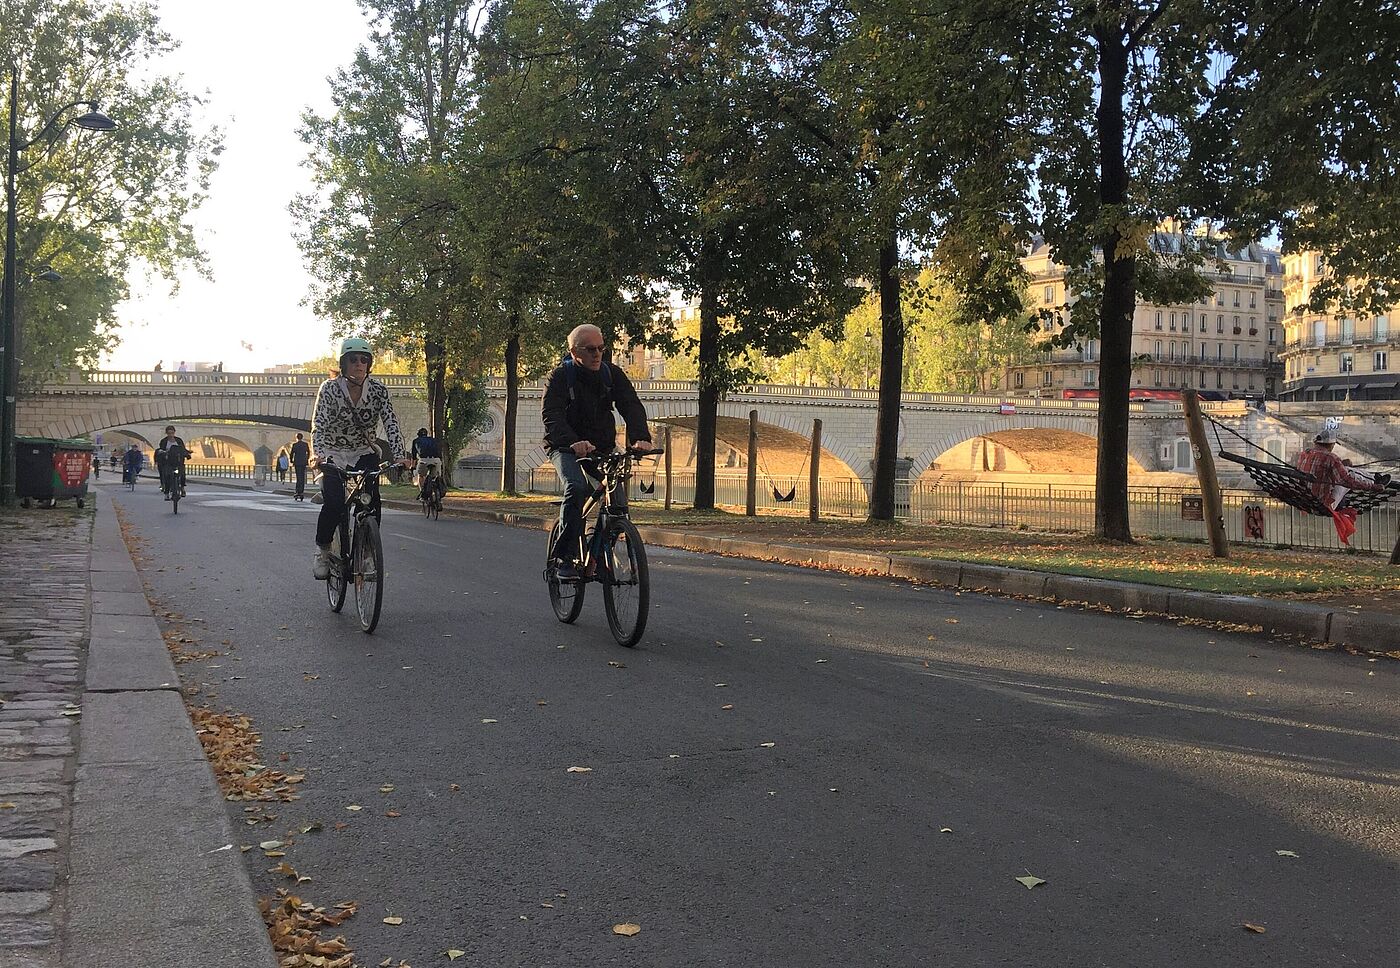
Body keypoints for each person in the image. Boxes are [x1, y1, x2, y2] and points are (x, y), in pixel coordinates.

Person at [541, 324, 652, 579]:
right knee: (577, 487)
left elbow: (631, 405)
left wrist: (640, 439)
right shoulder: (559, 377)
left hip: (601, 447)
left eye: (601, 348)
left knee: (619, 505)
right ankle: (565, 558)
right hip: (565, 447)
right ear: (573, 351)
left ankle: (597, 547)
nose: (597, 354)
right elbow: (552, 415)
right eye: (590, 349)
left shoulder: (611, 374)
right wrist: (573, 441)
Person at [309, 337, 409, 579]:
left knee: (371, 503)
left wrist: (401, 456)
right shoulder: (330, 389)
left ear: (370, 364)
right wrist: (319, 454)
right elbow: (318, 426)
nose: (359, 364)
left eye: (364, 359)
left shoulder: (378, 391)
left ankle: (365, 554)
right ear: (344, 364)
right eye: (353, 359)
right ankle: (323, 550)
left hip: (363, 453)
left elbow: (391, 424)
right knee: (333, 505)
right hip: (332, 454)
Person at [1294, 428, 1391, 544]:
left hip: (1305, 501)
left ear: (1316, 442)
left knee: (1345, 471)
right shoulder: (1331, 458)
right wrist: (1372, 487)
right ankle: (1375, 481)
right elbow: (1346, 480)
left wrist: (1341, 465)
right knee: (1350, 472)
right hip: (1324, 504)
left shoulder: (1305, 454)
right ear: (1331, 444)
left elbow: (1319, 471)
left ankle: (1371, 480)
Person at [156, 426, 192, 500]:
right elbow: (161, 450)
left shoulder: (179, 440)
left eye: (172, 433)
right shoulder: (164, 441)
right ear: (166, 433)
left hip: (178, 462)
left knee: (182, 475)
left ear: (174, 432)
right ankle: (166, 493)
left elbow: (182, 449)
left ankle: (182, 488)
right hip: (168, 462)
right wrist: (162, 453)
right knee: (167, 477)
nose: (171, 435)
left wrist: (187, 454)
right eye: (169, 433)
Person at [410, 428, 443, 497]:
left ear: (418, 435)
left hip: (423, 460)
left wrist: (412, 466)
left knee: (421, 476)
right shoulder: (434, 440)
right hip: (436, 460)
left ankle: (422, 493)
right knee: (435, 476)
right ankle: (437, 492)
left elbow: (414, 456)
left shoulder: (416, 441)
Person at [290, 433, 311, 501]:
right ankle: (301, 491)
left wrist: (291, 461)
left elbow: (291, 453)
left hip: (297, 462)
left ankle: (297, 491)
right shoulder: (305, 444)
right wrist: (307, 459)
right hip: (303, 462)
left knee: (298, 477)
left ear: (296, 437)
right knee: (302, 477)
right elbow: (308, 452)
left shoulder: (295, 445)